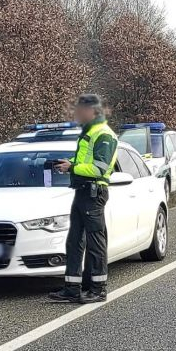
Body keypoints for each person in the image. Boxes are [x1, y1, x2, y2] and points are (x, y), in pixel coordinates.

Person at [49, 94, 119, 304]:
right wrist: (68, 163)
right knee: (74, 241)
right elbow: (84, 161)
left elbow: (100, 167)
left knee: (95, 242)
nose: (78, 114)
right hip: (82, 191)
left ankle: (98, 289)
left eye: (81, 110)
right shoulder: (89, 132)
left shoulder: (104, 134)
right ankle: (72, 287)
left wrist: (72, 167)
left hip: (93, 192)